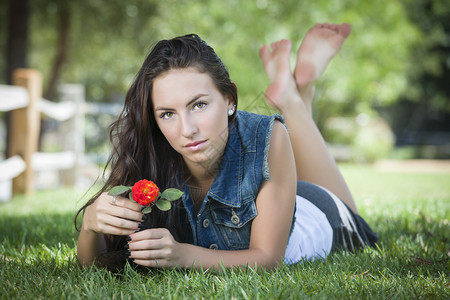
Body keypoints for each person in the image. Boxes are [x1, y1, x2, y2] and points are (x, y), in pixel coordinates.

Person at [75, 22, 377, 272]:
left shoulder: (267, 136)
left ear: (229, 100)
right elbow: (96, 266)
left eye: (199, 105)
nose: (187, 129)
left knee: (351, 212)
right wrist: (90, 226)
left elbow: (268, 259)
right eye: (167, 113)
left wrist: (182, 256)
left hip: (315, 215)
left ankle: (293, 99)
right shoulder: (148, 151)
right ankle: (298, 91)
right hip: (279, 195)